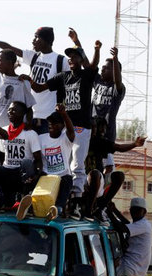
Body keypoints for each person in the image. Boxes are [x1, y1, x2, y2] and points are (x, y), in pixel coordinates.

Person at [27, 42, 99, 201]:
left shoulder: (86, 75)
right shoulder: (63, 77)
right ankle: (61, 194)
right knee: (63, 162)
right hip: (66, 127)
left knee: (77, 163)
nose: (71, 59)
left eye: (75, 57)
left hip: (81, 127)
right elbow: (39, 88)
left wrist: (96, 49)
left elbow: (93, 65)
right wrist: (29, 80)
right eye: (70, 57)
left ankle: (77, 198)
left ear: (81, 60)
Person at [0, 26, 71, 134]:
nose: (33, 40)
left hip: (49, 117)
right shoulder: (33, 56)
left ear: (44, 40)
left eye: (36, 37)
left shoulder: (61, 61)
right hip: (30, 116)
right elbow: (9, 48)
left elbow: (74, 78)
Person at [0, 101, 42, 213]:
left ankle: (24, 199)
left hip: (22, 176)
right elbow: (0, 156)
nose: (10, 112)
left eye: (14, 110)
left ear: (22, 114)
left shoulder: (30, 134)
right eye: (9, 109)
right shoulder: (4, 130)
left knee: (27, 162)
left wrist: (36, 174)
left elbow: (38, 159)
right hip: (7, 172)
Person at [108, 198, 152, 276]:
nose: (135, 213)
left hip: (129, 267)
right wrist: (114, 210)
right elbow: (126, 223)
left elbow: (122, 228)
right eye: (133, 210)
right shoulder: (140, 224)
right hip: (132, 269)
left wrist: (109, 212)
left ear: (144, 212)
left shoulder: (144, 225)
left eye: (138, 210)